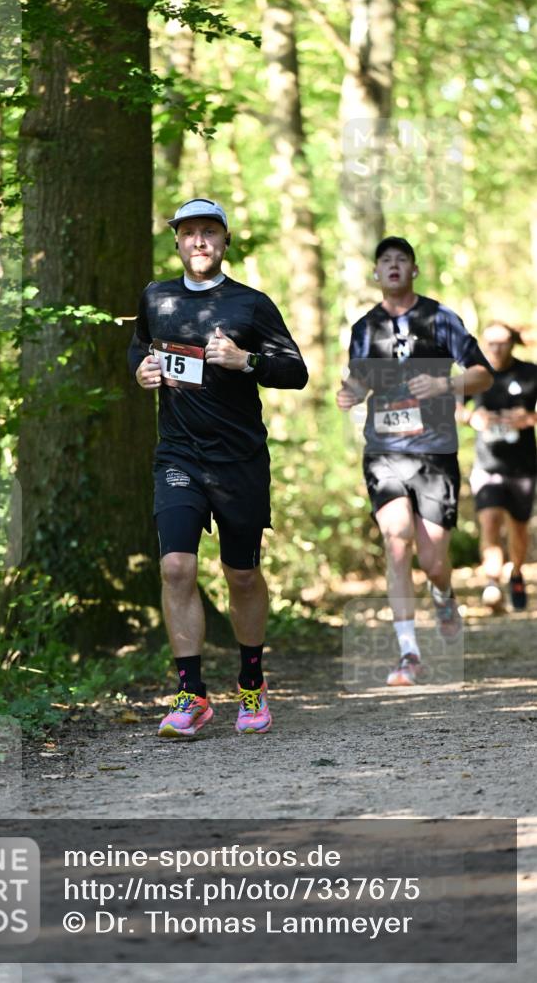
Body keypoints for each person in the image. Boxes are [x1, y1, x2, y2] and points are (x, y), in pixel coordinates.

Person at [128, 198, 308, 736]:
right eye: (189, 233)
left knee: (242, 575)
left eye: (210, 231)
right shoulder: (156, 298)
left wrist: (246, 361)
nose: (200, 241)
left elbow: (295, 371)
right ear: (177, 241)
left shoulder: (251, 304)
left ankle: (251, 684)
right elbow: (138, 348)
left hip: (239, 461)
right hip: (179, 454)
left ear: (226, 241)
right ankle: (192, 695)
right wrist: (141, 371)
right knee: (176, 568)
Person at [337, 237, 493, 687]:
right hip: (384, 451)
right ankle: (409, 653)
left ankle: (443, 594)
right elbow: (360, 380)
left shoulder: (441, 318)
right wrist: (350, 393)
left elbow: (483, 374)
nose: (393, 266)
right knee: (396, 539)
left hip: (435, 451)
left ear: (414, 270)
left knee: (433, 560)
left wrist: (446, 385)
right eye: (385, 260)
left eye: (401, 260)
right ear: (375, 273)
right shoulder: (365, 327)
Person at [461, 322, 536, 610]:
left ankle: (515, 573)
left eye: (502, 342)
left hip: (523, 467)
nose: (496, 348)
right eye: (490, 342)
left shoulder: (530, 373)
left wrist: (529, 418)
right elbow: (451, 406)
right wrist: (471, 417)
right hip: (487, 465)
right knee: (490, 521)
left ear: (512, 343)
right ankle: (492, 584)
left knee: (518, 529)